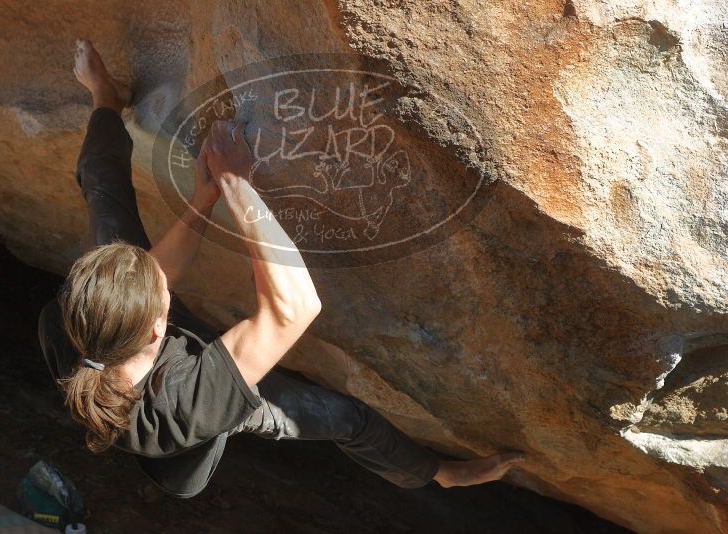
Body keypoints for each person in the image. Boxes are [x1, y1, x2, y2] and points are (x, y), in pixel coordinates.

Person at [37, 39, 524, 500]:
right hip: (193, 407)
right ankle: (441, 476)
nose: (160, 277)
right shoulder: (190, 405)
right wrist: (237, 186)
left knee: (102, 188)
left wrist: (204, 197)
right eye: (160, 292)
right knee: (342, 416)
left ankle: (105, 95)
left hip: (135, 342)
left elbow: (153, 274)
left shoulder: (77, 315)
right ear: (156, 327)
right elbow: (294, 308)